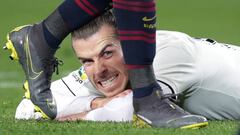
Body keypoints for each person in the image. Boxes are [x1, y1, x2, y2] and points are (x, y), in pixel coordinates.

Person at [3, 0, 196, 128]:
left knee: (145, 102)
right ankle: (40, 39)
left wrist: (78, 115)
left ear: (127, 42)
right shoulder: (96, 70)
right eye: (87, 61)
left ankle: (41, 38)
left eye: (107, 53)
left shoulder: (171, 53)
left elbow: (127, 109)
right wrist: (95, 102)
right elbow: (27, 108)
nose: (99, 70)